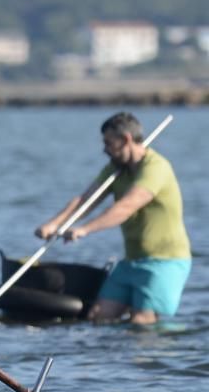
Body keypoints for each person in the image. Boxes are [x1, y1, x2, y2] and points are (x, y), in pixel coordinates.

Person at [35, 112, 190, 325]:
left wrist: (84, 229)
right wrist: (54, 223)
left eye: (109, 143)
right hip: (131, 261)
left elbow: (125, 207)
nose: (104, 149)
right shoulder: (115, 170)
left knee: (141, 322)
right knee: (98, 317)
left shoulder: (156, 168)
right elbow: (85, 200)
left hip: (164, 262)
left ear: (126, 139)